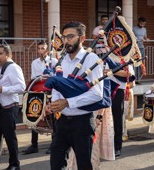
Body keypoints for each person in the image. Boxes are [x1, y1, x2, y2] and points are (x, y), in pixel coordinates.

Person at [49, 21, 103, 170]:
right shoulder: (62, 59)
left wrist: (67, 102)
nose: (66, 40)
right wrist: (54, 103)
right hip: (63, 122)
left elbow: (97, 94)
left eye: (71, 36)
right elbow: (57, 85)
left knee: (84, 165)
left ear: (82, 38)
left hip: (82, 123)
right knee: (56, 163)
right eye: (64, 37)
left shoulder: (91, 59)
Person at [22, 41, 57, 155]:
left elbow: (57, 78)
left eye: (43, 48)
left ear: (47, 50)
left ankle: (54, 144)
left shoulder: (54, 61)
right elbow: (33, 78)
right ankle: (34, 145)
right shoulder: (34, 62)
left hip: (50, 92)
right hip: (38, 91)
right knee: (33, 115)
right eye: (39, 48)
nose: (41, 50)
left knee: (52, 117)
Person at [133, 17, 148, 82]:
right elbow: (132, 37)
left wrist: (147, 39)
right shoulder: (133, 28)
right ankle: (134, 78)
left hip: (142, 47)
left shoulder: (144, 29)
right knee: (135, 62)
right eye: (141, 23)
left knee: (141, 63)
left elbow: (145, 38)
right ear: (138, 22)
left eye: (144, 24)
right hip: (135, 48)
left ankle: (138, 79)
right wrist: (137, 39)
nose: (142, 25)